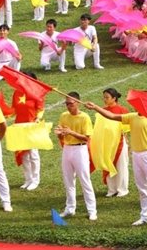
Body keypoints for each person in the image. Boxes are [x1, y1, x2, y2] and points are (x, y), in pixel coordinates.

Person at [84, 98, 147, 227]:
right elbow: (112, 116)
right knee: (142, 188)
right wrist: (95, 107)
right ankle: (145, 216)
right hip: (136, 155)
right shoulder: (132, 117)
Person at [54, 92, 96, 221]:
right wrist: (59, 134)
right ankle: (70, 208)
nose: (68, 106)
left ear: (77, 103)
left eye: (70, 104)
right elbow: (61, 135)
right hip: (67, 149)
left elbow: (86, 137)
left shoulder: (84, 117)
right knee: (68, 180)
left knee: (85, 180)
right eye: (66, 103)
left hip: (80, 149)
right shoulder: (64, 116)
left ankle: (92, 210)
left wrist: (71, 132)